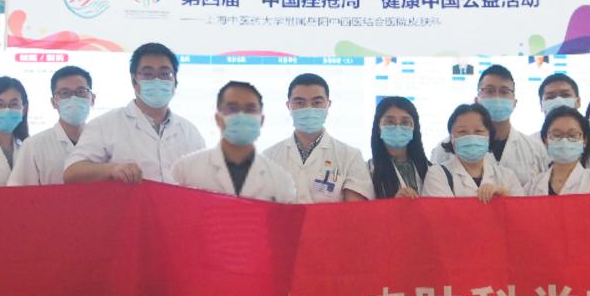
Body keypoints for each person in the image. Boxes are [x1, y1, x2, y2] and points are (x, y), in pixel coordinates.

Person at [63, 43, 204, 185]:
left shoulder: (190, 132)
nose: (157, 80)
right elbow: (71, 172)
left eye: (164, 74)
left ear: (175, 81)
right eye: (148, 74)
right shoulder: (104, 125)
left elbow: (205, 181)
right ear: (134, 81)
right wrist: (111, 169)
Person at [172, 81, 295, 202]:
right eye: (232, 108)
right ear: (218, 118)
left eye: (250, 109)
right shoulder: (185, 170)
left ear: (261, 120)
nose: (241, 115)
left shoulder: (281, 181)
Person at [264, 73, 372, 202]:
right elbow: (261, 207)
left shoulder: (350, 156)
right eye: (300, 102)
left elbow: (355, 210)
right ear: (288, 105)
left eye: (316, 102)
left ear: (328, 104)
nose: (308, 108)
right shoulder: (268, 157)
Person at [431, 65, 547, 185]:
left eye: (504, 91)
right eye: (489, 91)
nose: (497, 97)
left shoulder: (535, 149)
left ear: (514, 102)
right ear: (476, 100)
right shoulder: (445, 149)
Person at [10, 66, 95, 187]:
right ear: (54, 102)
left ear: (92, 99)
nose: (73, 98)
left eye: (81, 92)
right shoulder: (33, 145)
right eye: (65, 93)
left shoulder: (103, 141)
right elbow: (18, 192)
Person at [422, 103, 523, 201]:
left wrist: (504, 195)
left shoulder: (507, 177)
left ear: (489, 136)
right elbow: (442, 211)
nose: (471, 137)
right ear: (451, 138)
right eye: (462, 131)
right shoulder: (438, 174)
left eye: (478, 131)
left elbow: (521, 210)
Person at [524, 108, 590, 196]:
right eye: (557, 135)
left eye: (572, 135)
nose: (564, 140)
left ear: (584, 141)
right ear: (545, 141)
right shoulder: (532, 187)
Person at [368, 96, 430, 199]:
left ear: (414, 128)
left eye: (405, 122)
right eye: (390, 122)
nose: (398, 127)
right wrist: (394, 204)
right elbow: (364, 207)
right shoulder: (368, 170)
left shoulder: (429, 169)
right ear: (378, 127)